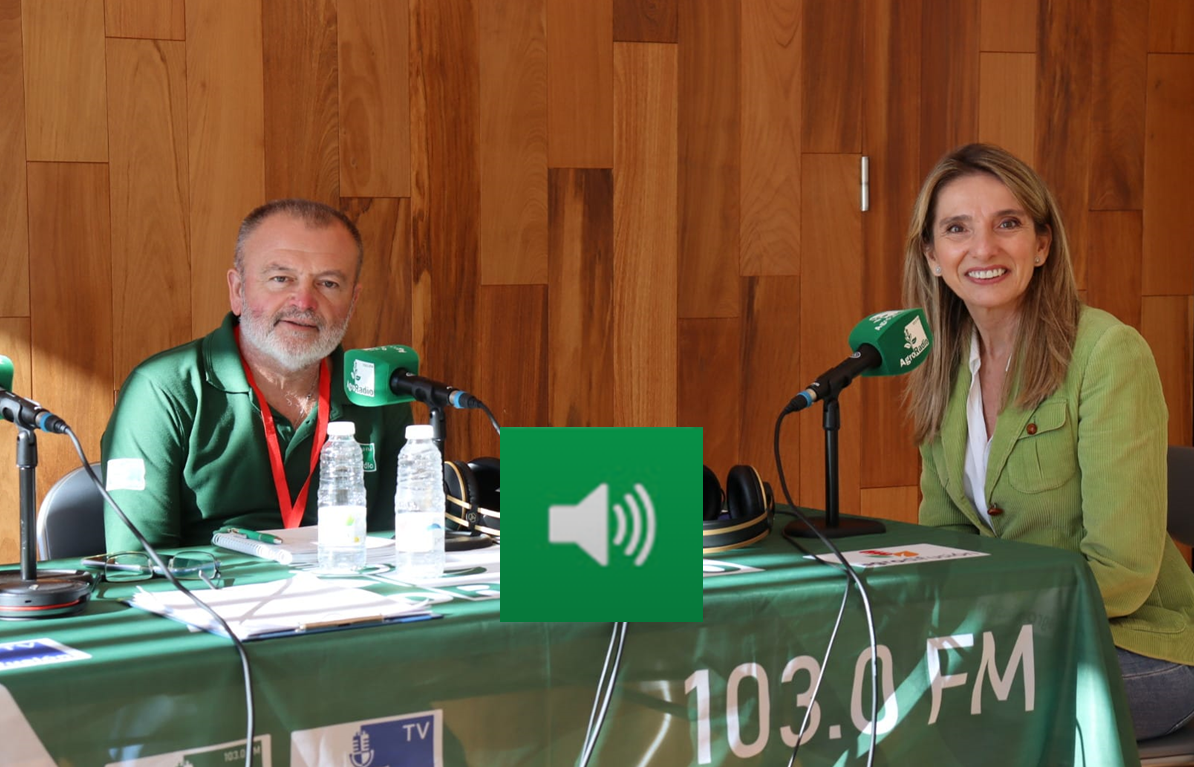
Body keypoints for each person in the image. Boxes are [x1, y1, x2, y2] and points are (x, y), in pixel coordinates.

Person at [903, 143, 1194, 740]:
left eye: (1007, 224)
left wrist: (986, 624)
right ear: (932, 256)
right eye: (957, 228)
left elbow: (1124, 570)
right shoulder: (945, 366)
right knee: (868, 683)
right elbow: (946, 539)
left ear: (1041, 244)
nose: (983, 248)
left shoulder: (1107, 354)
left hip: (1138, 645)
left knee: (946, 715)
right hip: (1012, 642)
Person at [101, 199, 412, 550]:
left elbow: (397, 549)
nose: (304, 302)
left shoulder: (379, 389)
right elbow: (138, 564)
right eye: (281, 278)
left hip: (353, 599)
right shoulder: (161, 391)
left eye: (327, 284)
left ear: (352, 303)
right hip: (212, 600)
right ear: (237, 290)